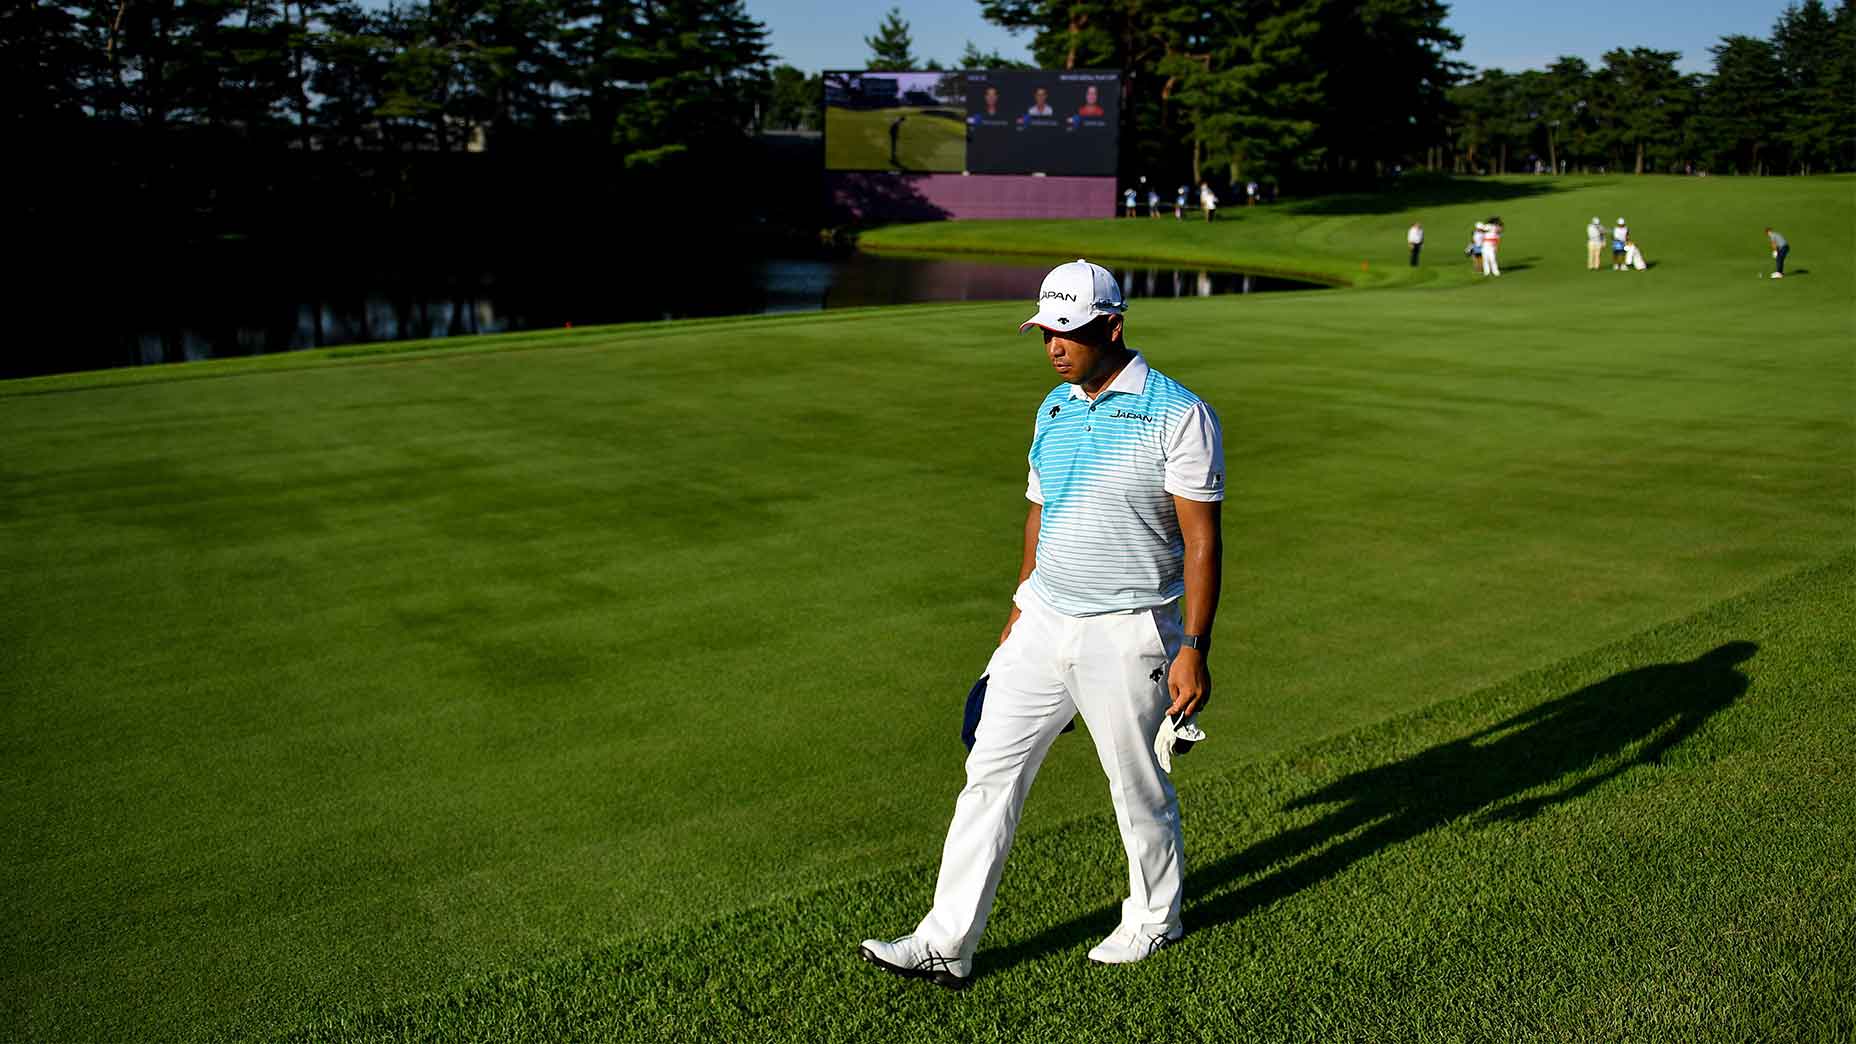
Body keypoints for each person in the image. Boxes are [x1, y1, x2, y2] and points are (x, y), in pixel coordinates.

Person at [858, 259, 1225, 989]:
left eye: (1069, 331)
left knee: (1136, 786)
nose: (1054, 346)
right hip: (1044, 620)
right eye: (1045, 332)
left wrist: (1194, 648)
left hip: (1128, 631)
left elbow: (1202, 542)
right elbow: (1040, 512)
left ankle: (1156, 918)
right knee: (988, 772)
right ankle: (945, 942)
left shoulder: (1177, 412)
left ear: (1112, 328)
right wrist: (1018, 610)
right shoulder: (1053, 408)